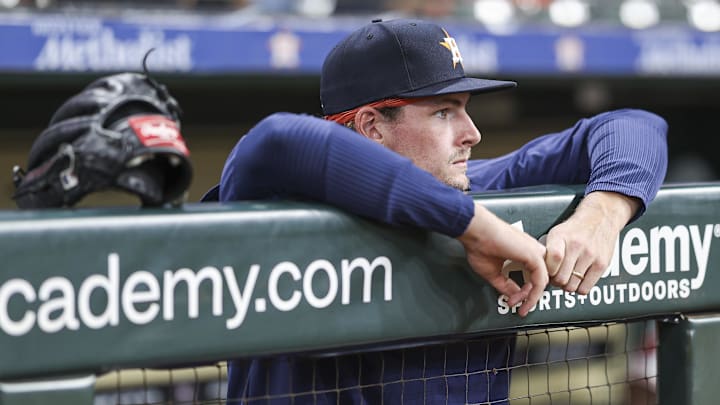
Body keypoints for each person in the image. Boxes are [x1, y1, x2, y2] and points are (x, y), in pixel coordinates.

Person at [206, 18, 667, 405]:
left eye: (464, 109)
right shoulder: (282, 195)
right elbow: (278, 139)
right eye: (445, 112)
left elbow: (635, 126)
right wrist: (472, 226)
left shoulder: (479, 186)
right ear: (371, 127)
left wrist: (604, 210)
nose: (473, 133)